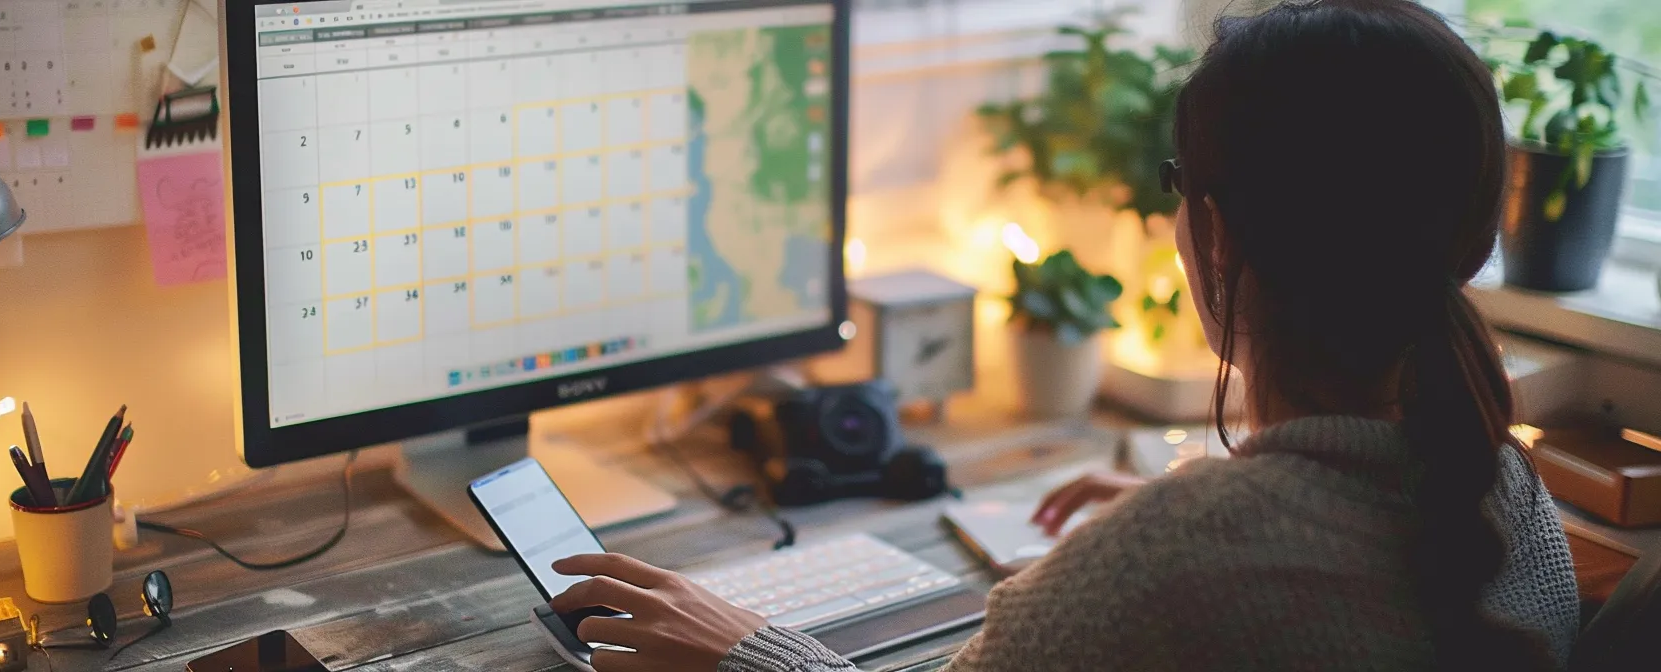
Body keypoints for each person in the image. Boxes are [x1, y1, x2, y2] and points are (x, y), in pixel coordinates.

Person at [545, 0, 1583, 669]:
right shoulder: (1509, 494)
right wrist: (1222, 515)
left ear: (1213, 233)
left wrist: (742, 650)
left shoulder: (1167, 559)